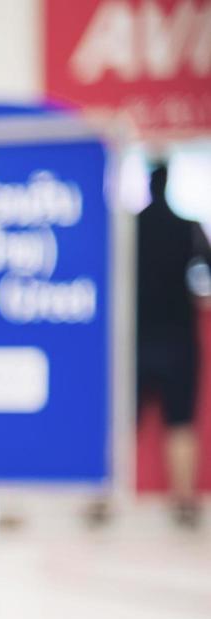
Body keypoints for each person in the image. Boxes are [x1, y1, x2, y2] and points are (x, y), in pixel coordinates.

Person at [137, 163, 210, 528]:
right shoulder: (189, 228)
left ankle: (102, 497)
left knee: (122, 421)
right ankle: (184, 502)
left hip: (135, 338)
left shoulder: (130, 228)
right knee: (180, 422)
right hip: (178, 337)